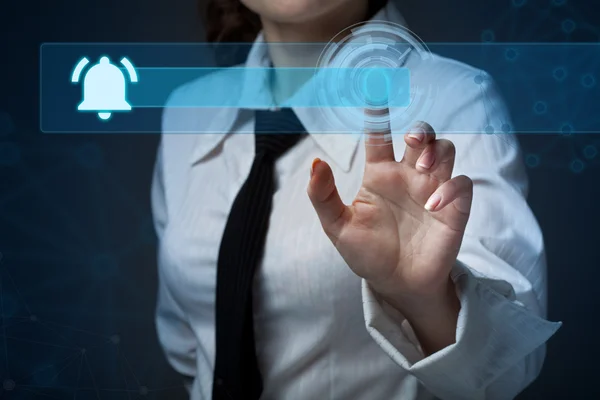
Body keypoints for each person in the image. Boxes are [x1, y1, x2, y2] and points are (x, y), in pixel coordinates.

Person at [152, 0, 561, 399]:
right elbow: (188, 343)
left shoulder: (453, 99)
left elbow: (503, 370)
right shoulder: (187, 112)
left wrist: (425, 298)